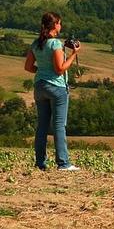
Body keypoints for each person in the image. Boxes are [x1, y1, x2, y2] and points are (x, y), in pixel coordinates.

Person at [24, 12, 81, 171]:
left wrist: (42, 70)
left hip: (39, 87)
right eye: (60, 23)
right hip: (56, 88)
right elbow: (60, 69)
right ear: (55, 25)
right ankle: (63, 163)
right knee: (58, 126)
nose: (61, 26)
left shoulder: (36, 43)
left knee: (41, 126)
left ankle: (40, 162)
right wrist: (73, 54)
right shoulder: (55, 44)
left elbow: (28, 67)